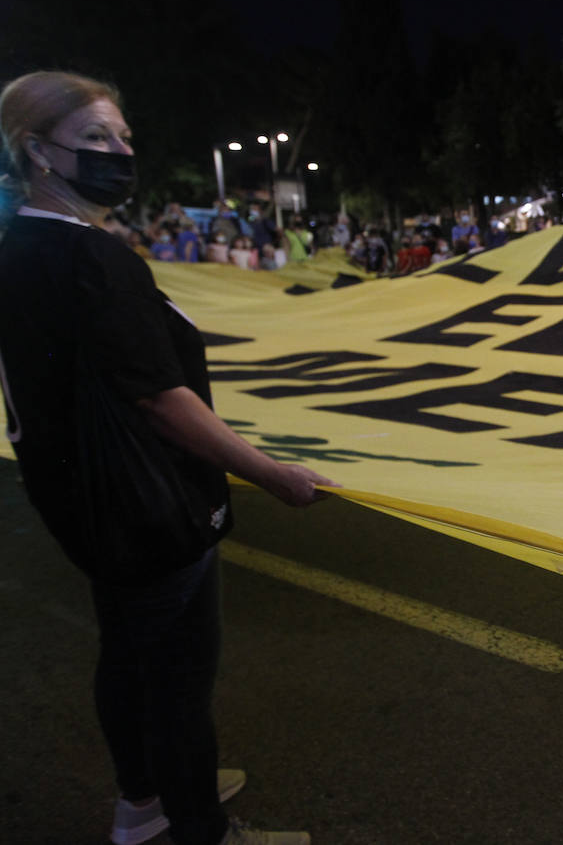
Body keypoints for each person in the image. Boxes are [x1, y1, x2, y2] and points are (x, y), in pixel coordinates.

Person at [0, 70, 333, 845]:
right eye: (95, 140)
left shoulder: (22, 246)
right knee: (177, 681)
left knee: (126, 656)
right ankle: (197, 829)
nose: (120, 153)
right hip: (149, 509)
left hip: (85, 506)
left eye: (123, 137)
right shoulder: (93, 261)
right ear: (36, 152)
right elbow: (161, 399)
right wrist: (275, 475)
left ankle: (143, 798)